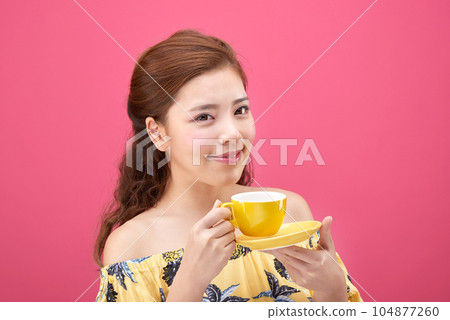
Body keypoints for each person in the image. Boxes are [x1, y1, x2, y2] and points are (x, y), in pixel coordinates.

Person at [93, 29, 363, 302]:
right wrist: (189, 282)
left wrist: (332, 291)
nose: (233, 133)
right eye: (204, 116)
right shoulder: (133, 245)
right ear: (158, 133)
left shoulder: (288, 213)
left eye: (240, 110)